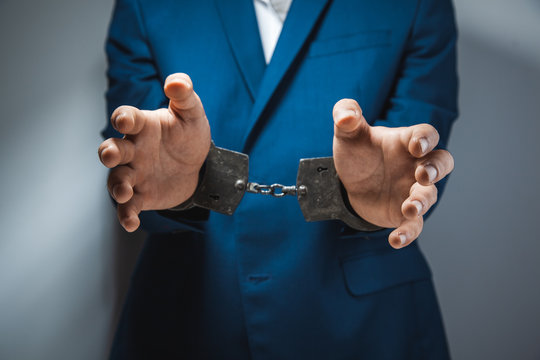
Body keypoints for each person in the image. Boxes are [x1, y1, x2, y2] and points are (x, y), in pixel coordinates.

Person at [98, 0, 457, 358]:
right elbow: (137, 157)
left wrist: (368, 194)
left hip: (361, 326)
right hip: (194, 318)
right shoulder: (145, 5)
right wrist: (179, 188)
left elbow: (413, 158)